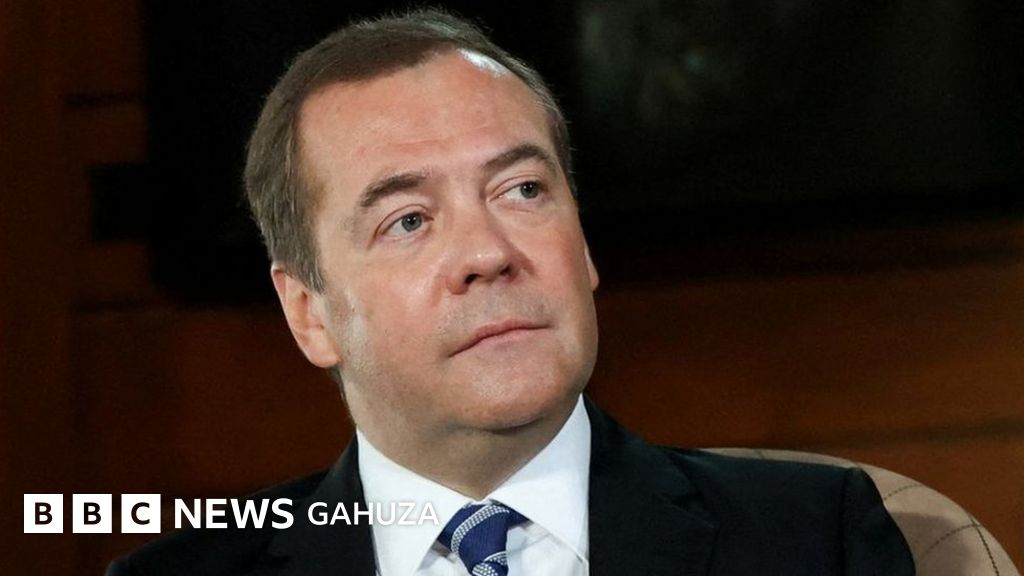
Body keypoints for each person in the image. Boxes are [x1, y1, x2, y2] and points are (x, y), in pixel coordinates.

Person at [107, 9, 913, 576]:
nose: (488, 254)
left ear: (582, 244)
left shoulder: (815, 540)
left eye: (522, 190)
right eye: (409, 220)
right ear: (308, 313)